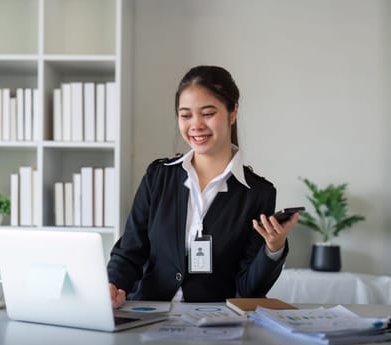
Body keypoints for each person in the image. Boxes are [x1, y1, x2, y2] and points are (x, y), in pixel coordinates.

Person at [107, 65, 298, 307]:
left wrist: (273, 248)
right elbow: (129, 251)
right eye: (185, 115)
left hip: (214, 325)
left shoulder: (258, 193)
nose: (195, 125)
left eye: (207, 113)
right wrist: (112, 284)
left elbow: (249, 289)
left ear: (233, 112)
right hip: (149, 315)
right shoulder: (158, 177)